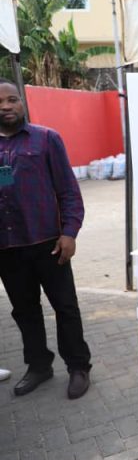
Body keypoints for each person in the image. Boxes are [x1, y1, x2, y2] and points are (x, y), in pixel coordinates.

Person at [0, 78, 91, 399]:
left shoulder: (46, 139)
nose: (6, 106)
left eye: (12, 99)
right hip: (7, 249)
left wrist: (69, 232)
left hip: (49, 243)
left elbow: (68, 190)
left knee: (65, 307)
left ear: (21, 102)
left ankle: (78, 367)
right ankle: (39, 365)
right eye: (0, 102)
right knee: (25, 311)